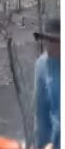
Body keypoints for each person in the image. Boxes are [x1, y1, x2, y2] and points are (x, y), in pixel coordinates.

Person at [35, 17, 60, 149]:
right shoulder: (42, 65)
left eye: (53, 41)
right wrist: (41, 144)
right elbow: (42, 112)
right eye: (45, 39)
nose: (48, 45)